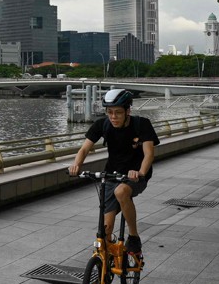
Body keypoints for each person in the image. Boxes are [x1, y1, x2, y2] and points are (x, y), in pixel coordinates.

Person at [67, 89, 160, 259]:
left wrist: (140, 172)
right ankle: (102, 274)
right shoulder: (103, 125)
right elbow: (84, 148)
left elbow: (149, 154)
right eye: (110, 112)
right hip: (111, 175)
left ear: (128, 111)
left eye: (118, 112)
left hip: (136, 175)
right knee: (105, 231)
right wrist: (76, 165)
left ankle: (133, 237)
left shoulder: (142, 124)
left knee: (121, 191)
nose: (113, 117)